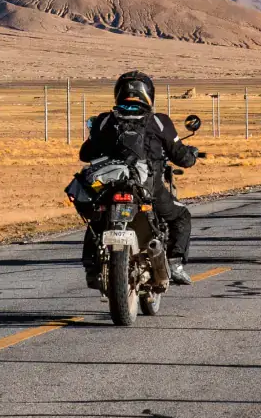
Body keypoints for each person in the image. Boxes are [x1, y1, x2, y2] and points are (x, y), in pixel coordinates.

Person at [79, 70, 201, 284]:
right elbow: (181, 156)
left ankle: (91, 266)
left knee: (97, 219)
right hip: (148, 188)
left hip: (110, 187)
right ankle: (175, 263)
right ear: (148, 93)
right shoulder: (159, 121)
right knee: (181, 216)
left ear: (118, 93)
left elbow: (85, 154)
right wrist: (192, 154)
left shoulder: (105, 120)